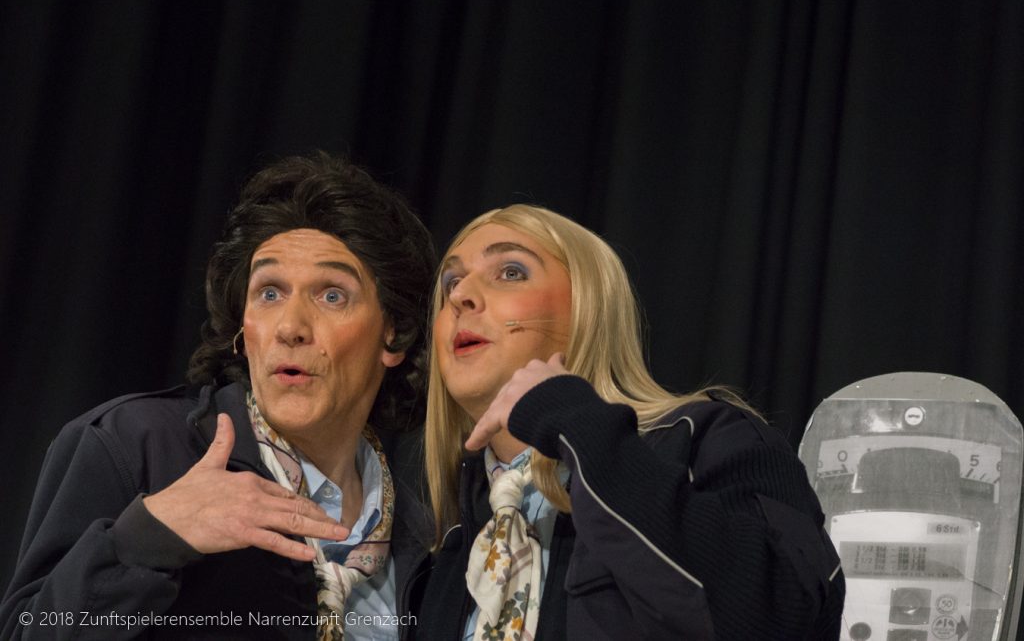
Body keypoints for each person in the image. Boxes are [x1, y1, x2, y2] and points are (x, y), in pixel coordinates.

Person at [1, 153, 436, 640]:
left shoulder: (423, 541)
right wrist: (151, 536)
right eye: (269, 293)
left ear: (394, 334)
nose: (290, 327)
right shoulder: (134, 446)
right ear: (242, 331)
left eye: (332, 295)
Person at [409, 205, 845, 640]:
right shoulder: (443, 544)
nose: (460, 296)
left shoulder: (712, 442)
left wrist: (577, 422)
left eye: (510, 272)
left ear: (588, 308)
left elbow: (784, 614)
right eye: (451, 282)